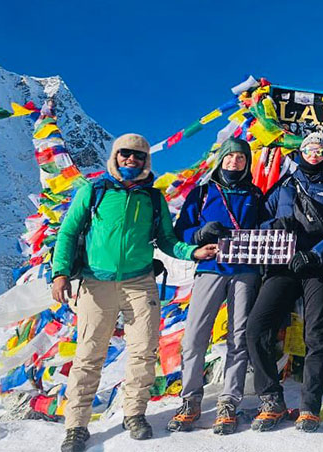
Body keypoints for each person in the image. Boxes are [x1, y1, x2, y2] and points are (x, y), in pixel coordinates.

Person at [50, 134, 218, 452]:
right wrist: (59, 273)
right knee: (88, 355)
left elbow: (167, 240)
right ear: (115, 157)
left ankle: (135, 413)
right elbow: (69, 231)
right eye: (125, 154)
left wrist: (193, 253)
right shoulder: (94, 190)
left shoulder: (153, 200)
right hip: (95, 283)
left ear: (146, 162)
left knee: (144, 350)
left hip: (140, 282)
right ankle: (76, 425)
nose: (131, 160)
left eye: (138, 156)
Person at [245, 131, 323, 433]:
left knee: (316, 336)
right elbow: (260, 220)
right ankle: (271, 399)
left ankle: (309, 407)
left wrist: (317, 255)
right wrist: (274, 226)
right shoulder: (285, 186)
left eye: (320, 151)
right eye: (309, 150)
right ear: (300, 152)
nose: (314, 155)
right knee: (256, 328)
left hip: (319, 268)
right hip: (282, 265)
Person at [167, 137, 263, 435]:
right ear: (221, 159)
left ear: (247, 163)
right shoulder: (203, 192)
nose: (235, 162)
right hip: (210, 268)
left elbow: (265, 226)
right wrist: (200, 233)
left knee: (238, 336)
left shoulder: (255, 194)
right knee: (195, 335)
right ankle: (190, 399)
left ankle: (228, 401)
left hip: (245, 270)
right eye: (230, 157)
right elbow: (181, 230)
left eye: (241, 158)